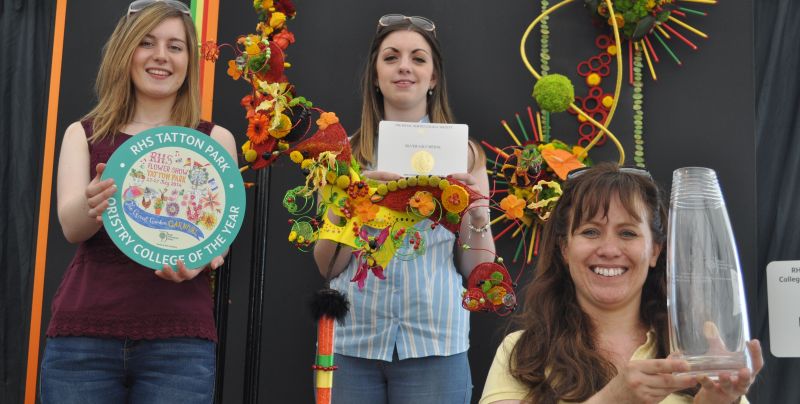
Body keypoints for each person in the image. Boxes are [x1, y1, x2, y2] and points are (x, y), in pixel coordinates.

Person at [39, 1, 236, 403]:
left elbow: (220, 236)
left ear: (189, 60)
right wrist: (93, 203)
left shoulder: (215, 141)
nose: (161, 56)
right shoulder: (84, 134)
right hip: (83, 339)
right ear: (124, 52)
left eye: (175, 46)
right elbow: (72, 228)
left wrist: (201, 260)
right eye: (147, 43)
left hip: (180, 343)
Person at [312, 14, 496, 404]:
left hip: (435, 343)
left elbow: (478, 270)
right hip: (354, 342)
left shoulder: (465, 155)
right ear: (375, 77)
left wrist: (478, 219)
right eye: (391, 57)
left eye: (418, 58)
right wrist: (354, 208)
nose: (404, 67)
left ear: (433, 79)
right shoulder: (343, 154)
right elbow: (325, 264)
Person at [479, 162, 763, 404]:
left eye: (627, 233)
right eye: (591, 232)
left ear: (655, 251)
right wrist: (612, 398)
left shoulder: (700, 350)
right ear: (564, 249)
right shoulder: (524, 352)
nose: (609, 249)